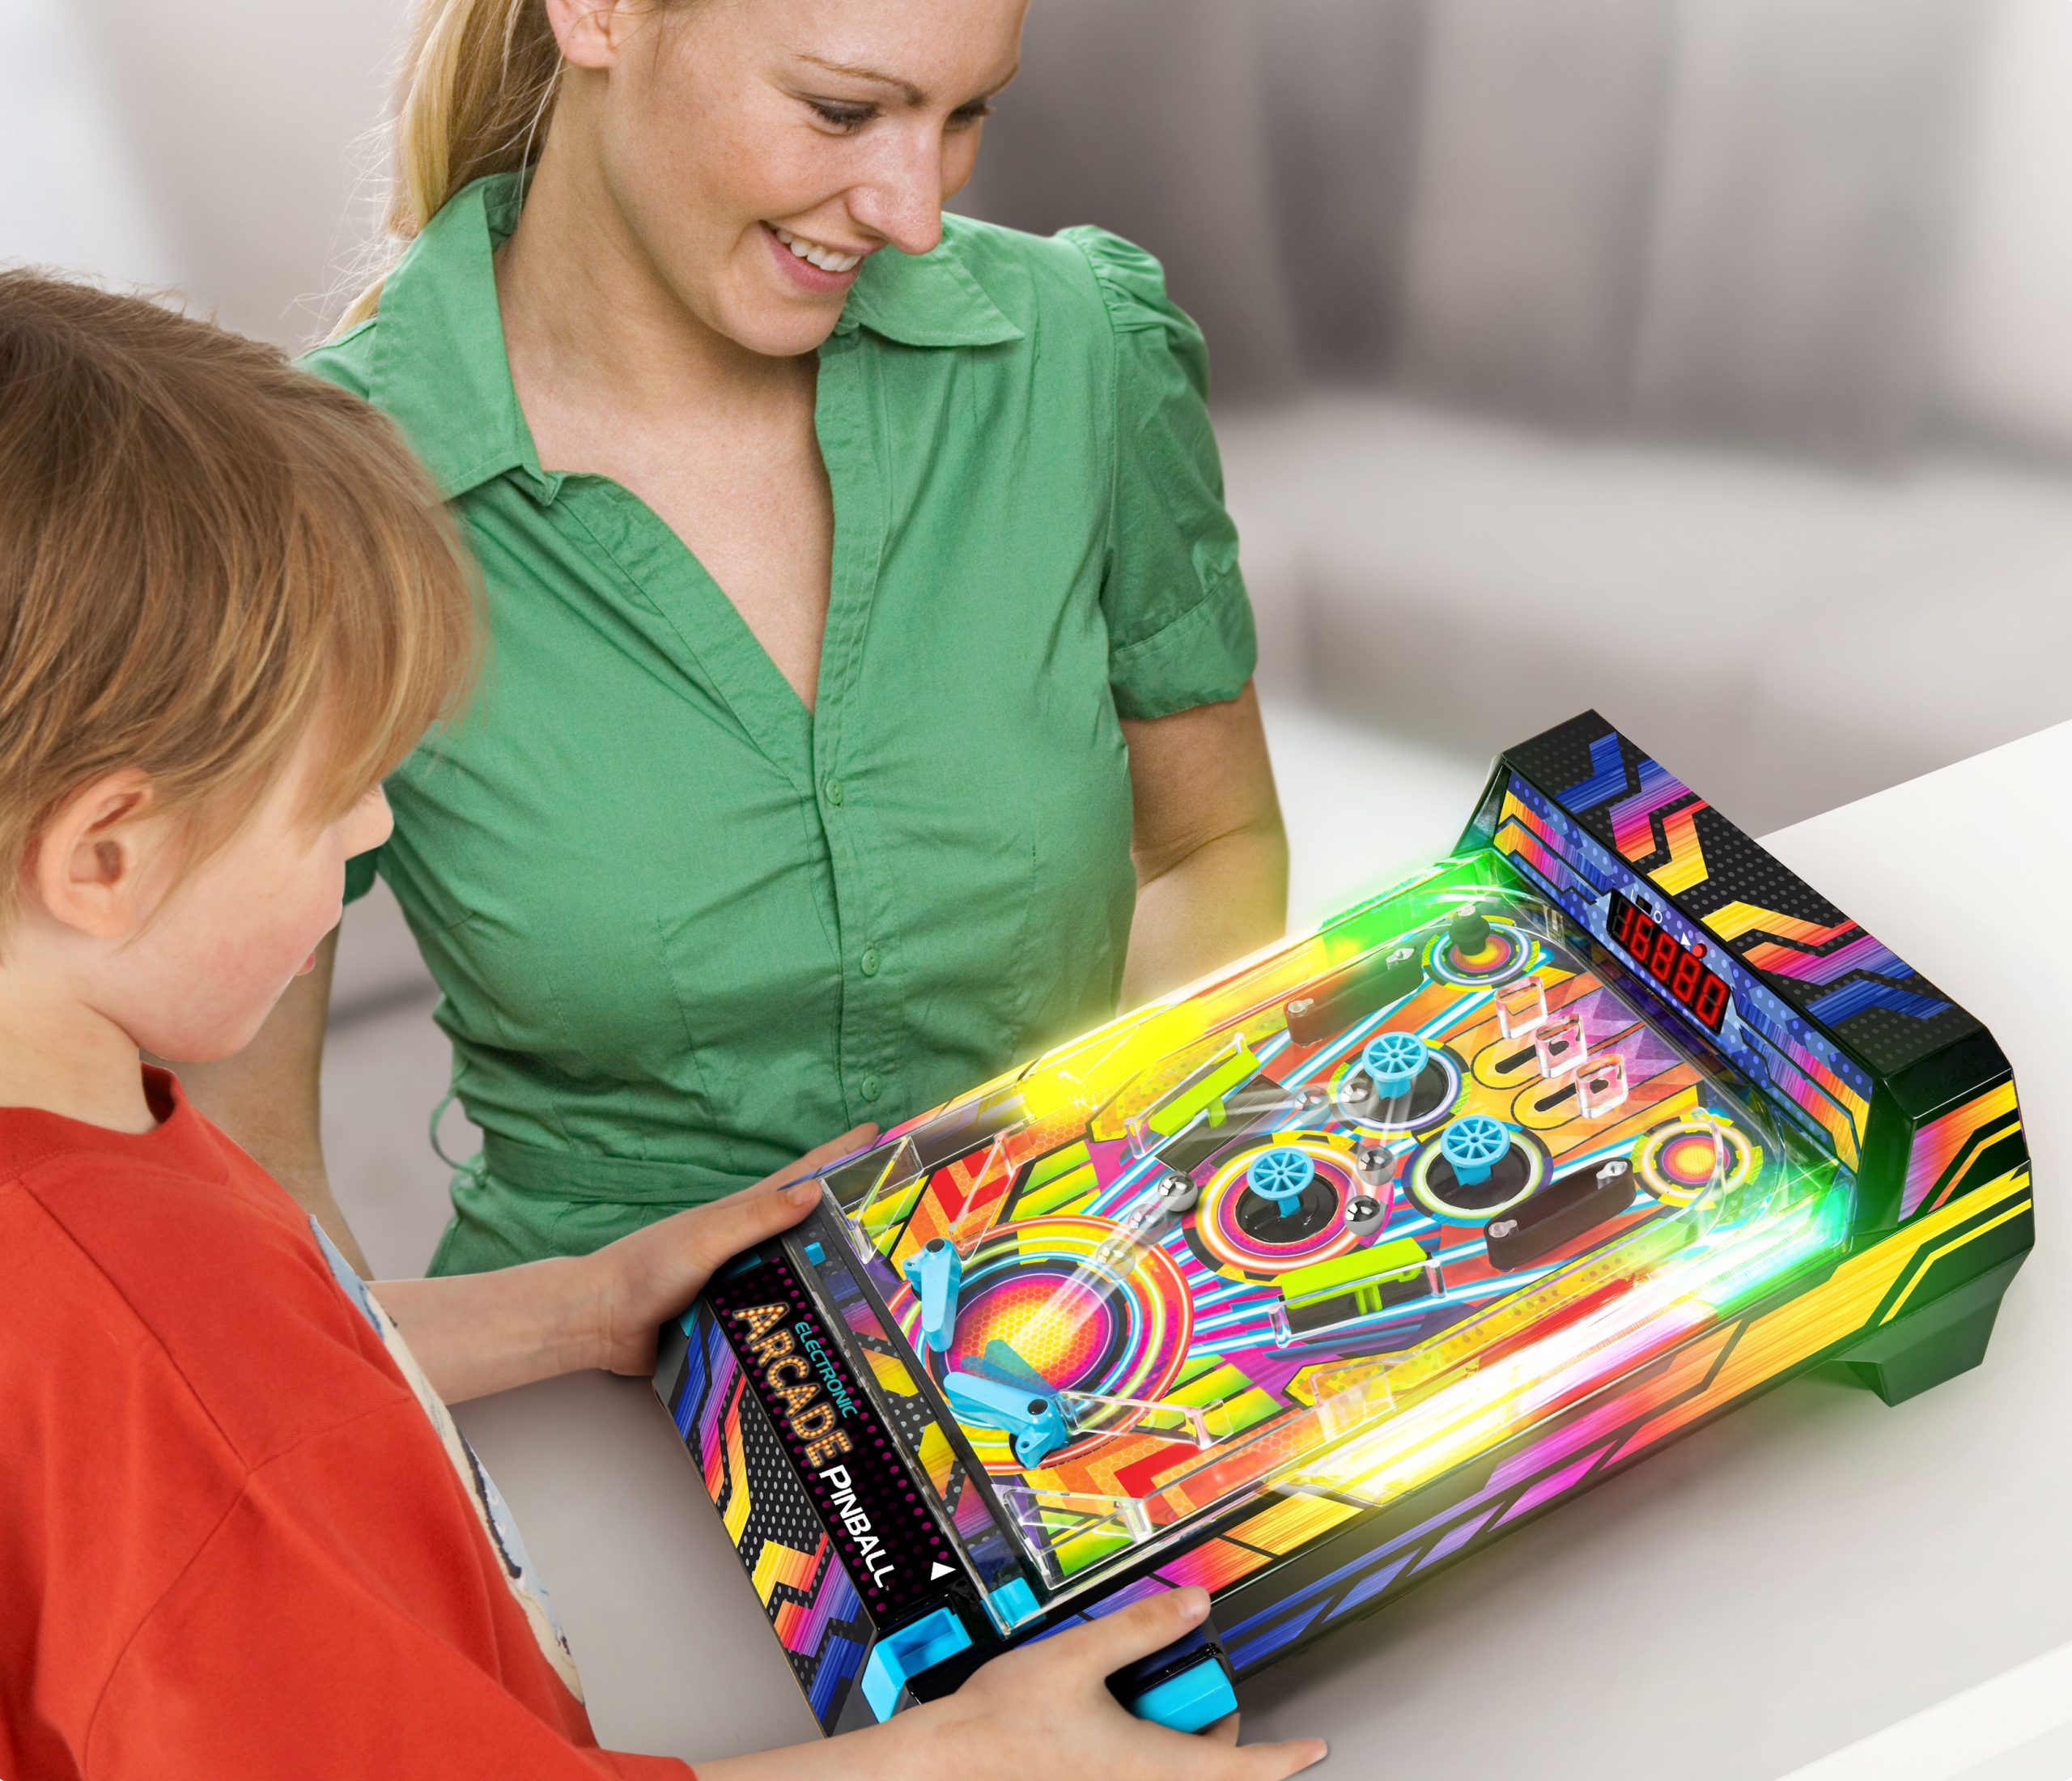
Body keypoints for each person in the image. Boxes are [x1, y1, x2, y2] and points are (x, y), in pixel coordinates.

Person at [0, 272, 1325, 1781]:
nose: (375, 823)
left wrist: (580, 1303)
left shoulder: (83, 1122)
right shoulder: (132, 1358)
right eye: (333, 799)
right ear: (105, 859)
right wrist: (966, 1764)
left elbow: (275, 1346)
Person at [178, 0, 1289, 1278]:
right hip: (590, 1392)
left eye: (966, 112)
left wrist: (1113, 1215)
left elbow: (1207, 843)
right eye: (842, 110)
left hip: (1079, 1307)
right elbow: (244, 1190)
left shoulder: (1078, 349)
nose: (913, 210)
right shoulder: (319, 510)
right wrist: (566, 1328)